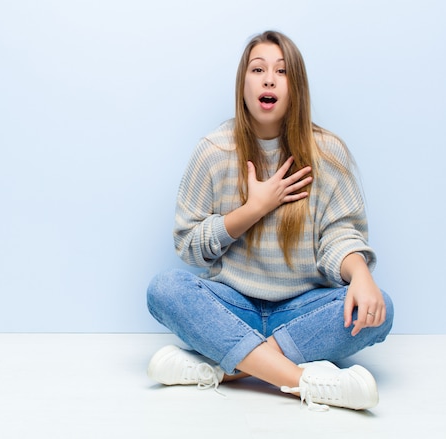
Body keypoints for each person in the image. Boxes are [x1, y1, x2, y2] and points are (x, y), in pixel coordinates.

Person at [146, 30, 394, 411]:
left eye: (281, 71)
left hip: (301, 309)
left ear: (297, 86)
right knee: (164, 288)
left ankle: (223, 368)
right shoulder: (213, 151)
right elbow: (189, 247)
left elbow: (340, 235)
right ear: (242, 84)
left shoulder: (327, 152)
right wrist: (253, 209)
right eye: (257, 69)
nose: (268, 79)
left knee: (380, 309)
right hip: (232, 305)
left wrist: (361, 274)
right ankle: (306, 382)